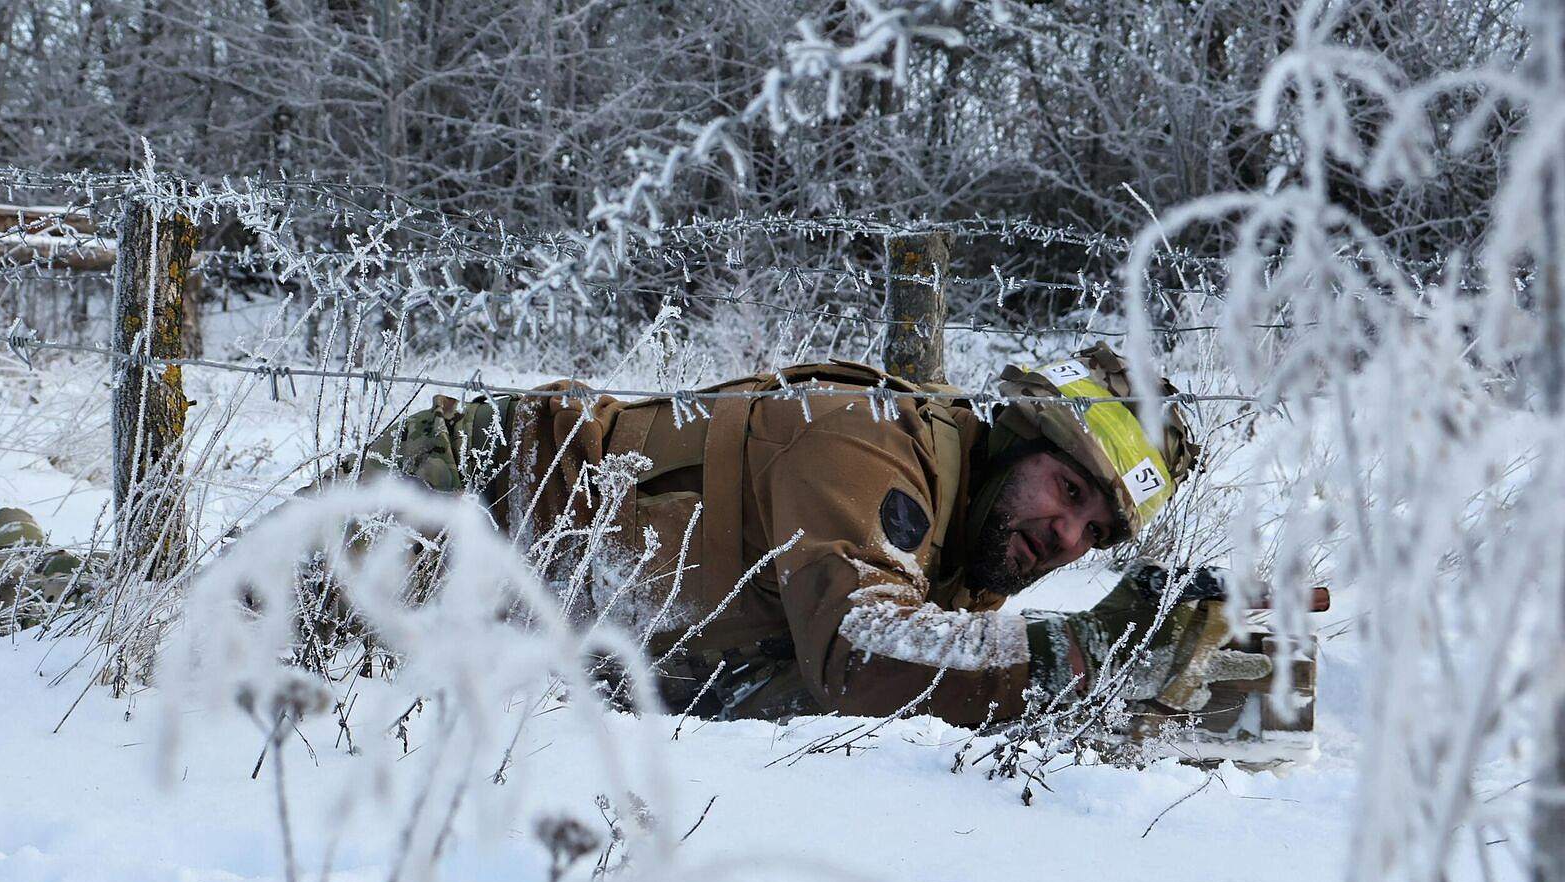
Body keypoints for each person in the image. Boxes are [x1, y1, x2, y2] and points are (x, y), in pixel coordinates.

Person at [333, 342, 1272, 726]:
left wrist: (1167, 669)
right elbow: (862, 659)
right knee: (232, 680)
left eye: (1094, 530)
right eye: (1065, 489)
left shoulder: (971, 547)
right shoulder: (872, 454)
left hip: (539, 625)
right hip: (455, 499)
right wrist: (1082, 652)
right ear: (1017, 439)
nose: (1063, 535)